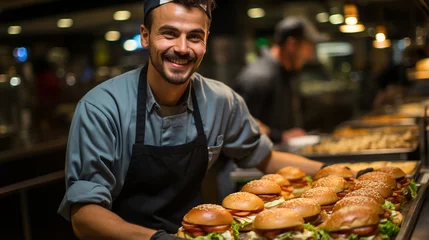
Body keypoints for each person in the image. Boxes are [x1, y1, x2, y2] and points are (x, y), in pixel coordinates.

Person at [57, 1, 323, 239]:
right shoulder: (101, 108)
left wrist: (339, 172)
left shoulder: (221, 101)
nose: (182, 48)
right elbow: (85, 217)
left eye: (194, 37)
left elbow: (265, 157)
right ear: (145, 36)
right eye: (169, 33)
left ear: (206, 41)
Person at [234, 16, 327, 144]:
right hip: (263, 162)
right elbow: (240, 126)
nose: (309, 55)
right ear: (291, 44)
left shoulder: (286, 72)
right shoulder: (258, 77)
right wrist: (280, 136)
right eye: (308, 47)